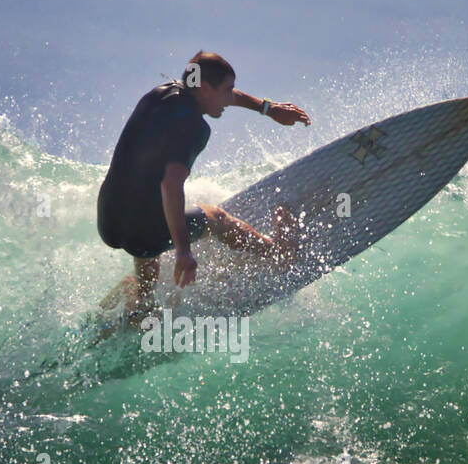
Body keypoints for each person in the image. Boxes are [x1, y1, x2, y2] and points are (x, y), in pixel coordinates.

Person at [96, 51, 311, 322]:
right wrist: (183, 251)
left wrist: (268, 108)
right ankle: (277, 253)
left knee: (144, 211)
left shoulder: (159, 94)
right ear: (206, 89)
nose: (230, 98)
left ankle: (142, 301)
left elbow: (221, 97)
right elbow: (171, 184)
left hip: (109, 222)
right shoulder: (194, 128)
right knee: (215, 217)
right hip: (141, 231)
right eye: (227, 90)